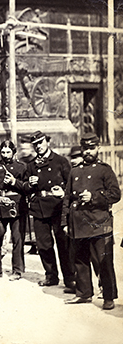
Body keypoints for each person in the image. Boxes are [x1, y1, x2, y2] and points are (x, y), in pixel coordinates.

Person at [62, 133, 120, 311]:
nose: (88, 152)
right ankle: (84, 293)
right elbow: (66, 198)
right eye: (85, 148)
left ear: (98, 148)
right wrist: (64, 222)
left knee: (104, 262)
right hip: (78, 224)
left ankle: (108, 297)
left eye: (91, 148)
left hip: (99, 224)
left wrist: (94, 197)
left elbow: (116, 194)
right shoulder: (75, 171)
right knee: (79, 260)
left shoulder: (104, 170)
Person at [22, 130, 75, 289]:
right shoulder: (31, 165)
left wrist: (63, 191)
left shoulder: (60, 161)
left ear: (47, 142)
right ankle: (51, 276)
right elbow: (24, 187)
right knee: (43, 245)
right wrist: (29, 185)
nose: (38, 146)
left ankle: (70, 278)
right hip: (39, 208)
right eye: (35, 144)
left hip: (58, 208)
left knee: (63, 244)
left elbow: (72, 184)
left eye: (40, 143)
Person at [0, 140, 28, 280]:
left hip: (17, 205)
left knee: (17, 238)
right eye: (3, 152)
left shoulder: (22, 167)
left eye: (8, 152)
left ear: (14, 152)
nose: (5, 155)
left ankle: (17, 270)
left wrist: (15, 182)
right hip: (0, 204)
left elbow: (27, 187)